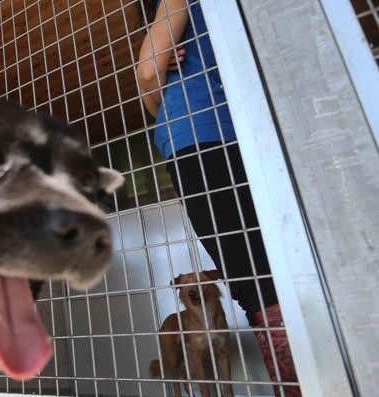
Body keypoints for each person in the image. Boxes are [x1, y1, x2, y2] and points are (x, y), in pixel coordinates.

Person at [136, 1, 300, 395]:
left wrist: (164, 89)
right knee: (282, 267)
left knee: (253, 275)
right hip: (242, 129)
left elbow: (146, 74)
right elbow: (147, 69)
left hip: (197, 133)